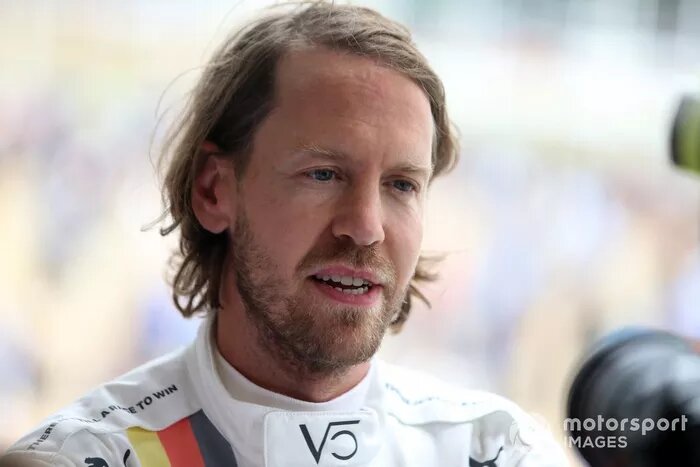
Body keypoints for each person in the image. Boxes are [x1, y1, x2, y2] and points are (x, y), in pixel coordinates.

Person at [1, 2, 568, 466]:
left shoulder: (495, 451)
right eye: (323, 174)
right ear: (214, 191)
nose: (366, 226)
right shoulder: (86, 457)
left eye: (401, 185)